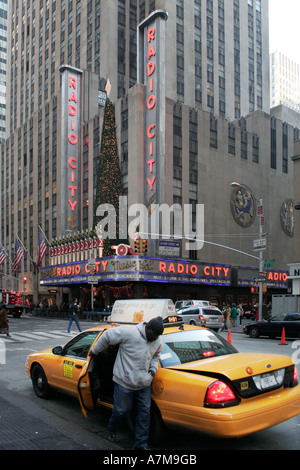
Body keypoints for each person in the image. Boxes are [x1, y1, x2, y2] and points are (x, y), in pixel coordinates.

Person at [90, 316, 164, 450]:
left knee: (144, 413)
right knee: (121, 410)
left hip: (143, 383)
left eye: (158, 336)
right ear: (148, 329)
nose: (155, 339)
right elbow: (107, 335)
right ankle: (112, 431)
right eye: (154, 335)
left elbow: (156, 356)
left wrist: (152, 372)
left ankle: (141, 445)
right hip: (124, 381)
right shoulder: (129, 332)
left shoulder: (157, 340)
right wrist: (94, 351)